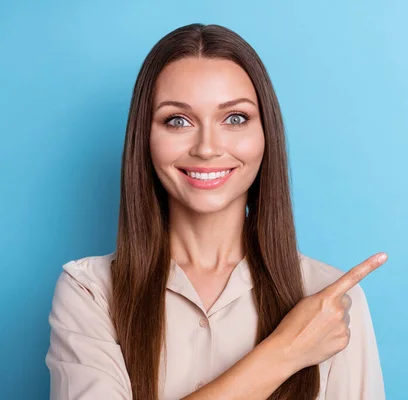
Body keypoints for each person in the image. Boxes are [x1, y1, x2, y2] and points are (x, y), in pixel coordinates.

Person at [45, 23, 387, 400]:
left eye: (235, 118)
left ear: (265, 133)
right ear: (144, 138)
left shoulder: (329, 301)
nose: (207, 148)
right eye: (178, 120)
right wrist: (286, 353)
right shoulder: (91, 291)